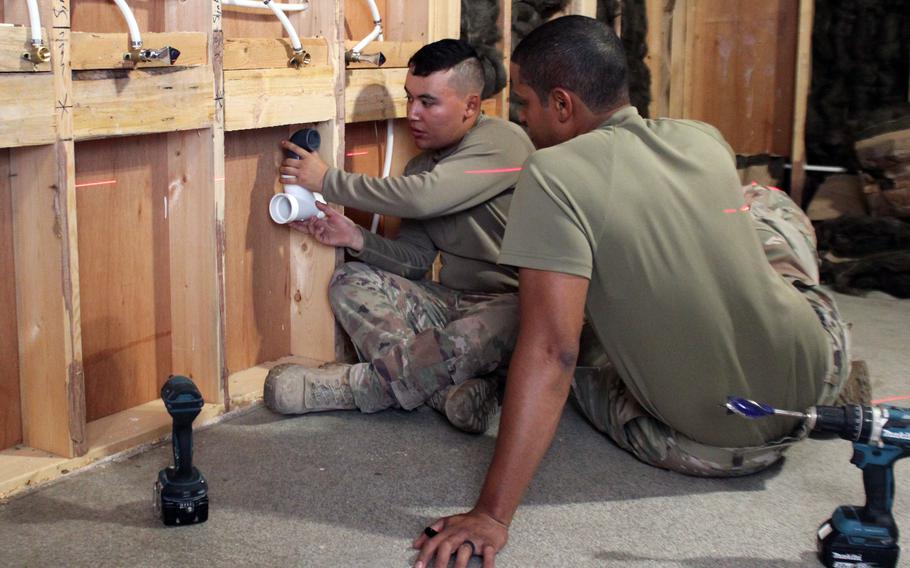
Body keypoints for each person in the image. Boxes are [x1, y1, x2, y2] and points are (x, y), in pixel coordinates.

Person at [412, 16, 854, 567]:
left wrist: (491, 515)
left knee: (562, 336)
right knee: (765, 206)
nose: (521, 119)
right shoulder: (702, 137)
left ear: (563, 104)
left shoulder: (551, 174)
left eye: (524, 104)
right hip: (819, 374)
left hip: (715, 446)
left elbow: (554, 352)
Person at [263, 39, 535, 434]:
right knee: (350, 279)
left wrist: (328, 181)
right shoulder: (421, 165)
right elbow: (416, 259)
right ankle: (446, 394)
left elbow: (424, 198)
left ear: (471, 106)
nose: (413, 114)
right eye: (409, 99)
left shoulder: (503, 143)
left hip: (512, 306)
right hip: (451, 300)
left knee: (471, 334)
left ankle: (353, 389)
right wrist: (356, 238)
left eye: (429, 102)